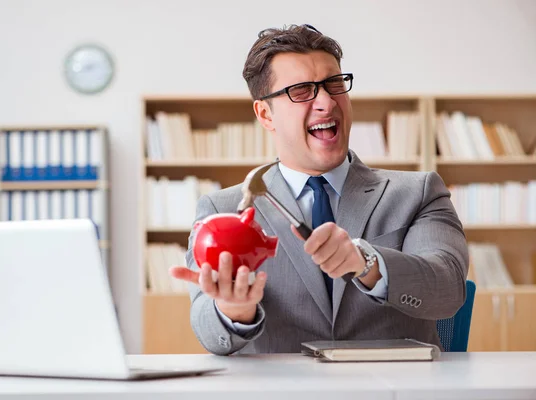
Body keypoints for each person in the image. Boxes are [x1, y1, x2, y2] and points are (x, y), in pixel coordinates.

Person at [169, 24, 469, 355]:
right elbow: (208, 332)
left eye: (334, 84)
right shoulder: (222, 209)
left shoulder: (419, 192)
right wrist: (233, 312)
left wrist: (366, 261)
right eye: (301, 90)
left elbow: (449, 289)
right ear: (265, 114)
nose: (326, 101)